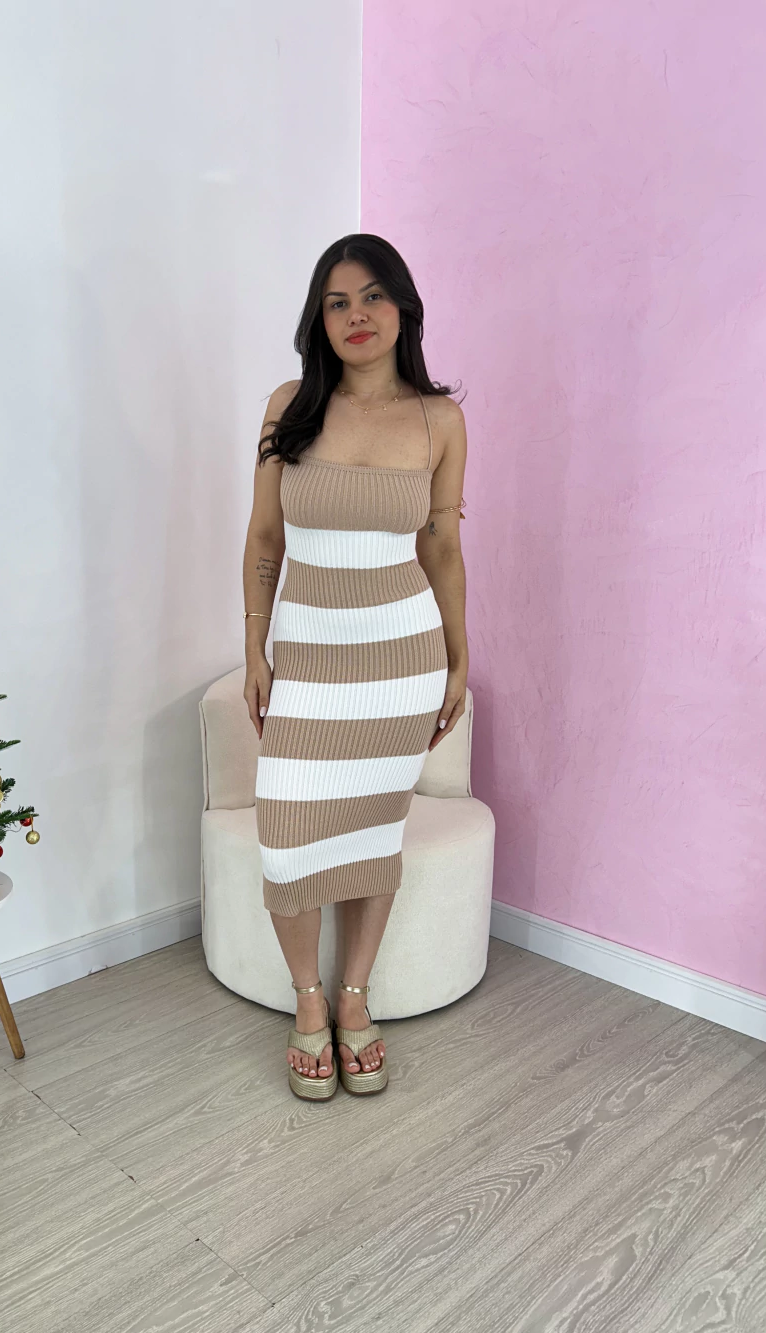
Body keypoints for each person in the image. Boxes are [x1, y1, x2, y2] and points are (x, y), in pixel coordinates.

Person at [241, 233, 468, 1100]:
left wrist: (458, 656)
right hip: (308, 661)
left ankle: (352, 996)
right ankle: (307, 997)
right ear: (319, 319)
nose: (357, 314)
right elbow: (266, 536)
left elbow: (442, 545)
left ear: (403, 305)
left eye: (373, 295)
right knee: (286, 838)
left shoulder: (440, 420)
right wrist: (254, 647)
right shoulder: (290, 404)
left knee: (375, 835)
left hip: (402, 661)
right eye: (337, 302)